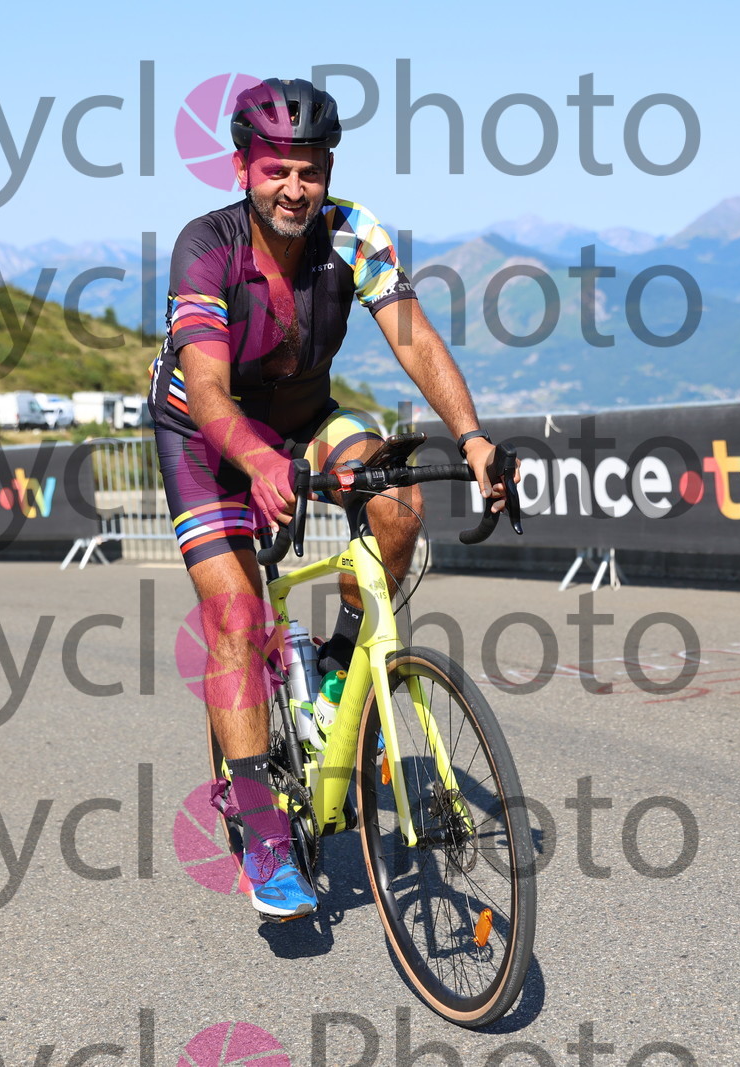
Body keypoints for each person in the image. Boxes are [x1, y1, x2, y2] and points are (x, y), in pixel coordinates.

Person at [146, 78, 512, 920]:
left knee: (397, 504)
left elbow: (414, 339)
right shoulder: (206, 246)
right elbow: (208, 390)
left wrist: (473, 437)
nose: (294, 188)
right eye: (276, 169)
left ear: (328, 172)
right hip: (204, 434)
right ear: (241, 167)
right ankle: (263, 832)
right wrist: (258, 463)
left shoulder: (353, 232)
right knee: (237, 618)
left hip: (305, 414)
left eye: (308, 171)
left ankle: (344, 661)